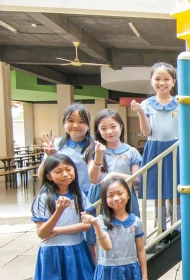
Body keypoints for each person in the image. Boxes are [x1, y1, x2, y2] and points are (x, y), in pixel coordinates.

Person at [131, 62, 179, 245]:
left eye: (166, 79)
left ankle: (175, 227)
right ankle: (162, 230)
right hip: (155, 149)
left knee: (175, 189)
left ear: (173, 82)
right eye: (157, 79)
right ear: (151, 81)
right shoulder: (146, 104)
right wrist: (141, 113)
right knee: (159, 192)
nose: (162, 83)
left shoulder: (180, 103)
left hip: (176, 149)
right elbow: (146, 132)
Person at [85, 109, 142, 258]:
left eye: (113, 126)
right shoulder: (94, 151)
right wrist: (98, 156)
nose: (109, 132)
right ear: (97, 130)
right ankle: (98, 270)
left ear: (121, 127)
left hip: (125, 197)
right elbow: (93, 179)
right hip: (99, 197)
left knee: (128, 234)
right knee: (95, 237)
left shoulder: (131, 151)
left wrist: (115, 175)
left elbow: (136, 179)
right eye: (103, 128)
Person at [38, 104, 94, 193]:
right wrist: (49, 157)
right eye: (70, 120)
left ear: (88, 125)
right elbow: (41, 176)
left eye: (81, 121)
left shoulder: (96, 145)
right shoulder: (55, 145)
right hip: (63, 195)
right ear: (64, 123)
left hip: (91, 196)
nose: (75, 125)